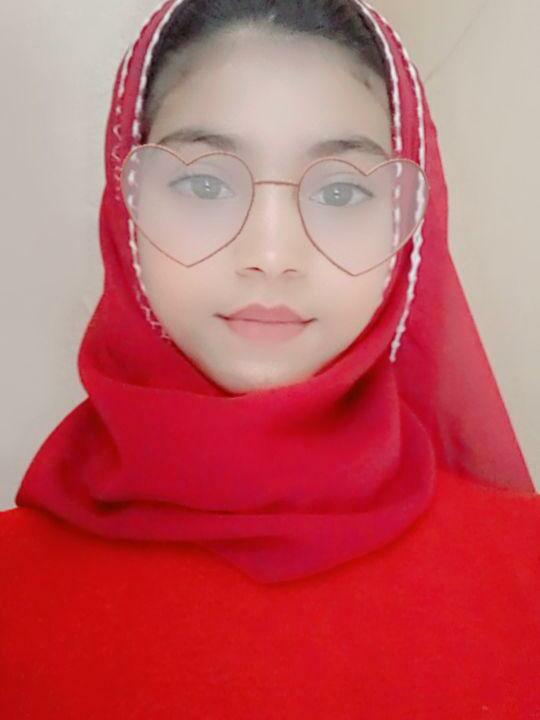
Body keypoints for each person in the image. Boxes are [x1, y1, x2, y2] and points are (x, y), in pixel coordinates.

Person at [1, 0, 539, 717]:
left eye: (342, 190)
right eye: (204, 183)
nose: (272, 254)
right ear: (124, 206)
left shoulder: (525, 570)